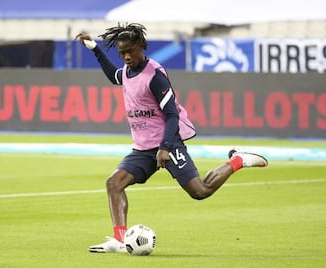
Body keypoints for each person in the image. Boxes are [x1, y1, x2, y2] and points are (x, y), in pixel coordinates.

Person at [75, 23, 268, 253]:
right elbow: (115, 76)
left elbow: (171, 114)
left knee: (200, 191)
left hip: (168, 142)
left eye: (130, 52)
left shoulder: (155, 75)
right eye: (122, 53)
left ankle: (238, 160)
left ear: (141, 47)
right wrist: (95, 49)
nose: (126, 57)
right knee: (113, 184)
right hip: (143, 148)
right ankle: (120, 240)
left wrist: (166, 147)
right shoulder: (127, 72)